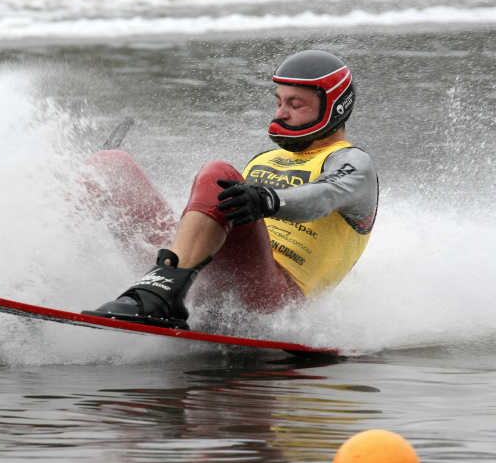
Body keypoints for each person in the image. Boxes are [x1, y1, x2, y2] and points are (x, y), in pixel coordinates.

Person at [84, 49, 378, 330]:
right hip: (210, 280)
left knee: (219, 174)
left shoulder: (353, 163)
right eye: (278, 102)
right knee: (110, 166)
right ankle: (62, 280)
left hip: (276, 301)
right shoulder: (265, 160)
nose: (281, 113)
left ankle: (159, 296)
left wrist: (268, 199)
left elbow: (324, 196)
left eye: (295, 105)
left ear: (334, 107)